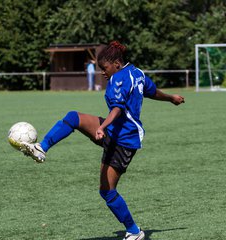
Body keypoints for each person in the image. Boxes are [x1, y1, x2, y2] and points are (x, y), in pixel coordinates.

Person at [21, 41, 185, 240]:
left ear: (116, 63)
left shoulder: (118, 80)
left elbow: (117, 108)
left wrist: (102, 126)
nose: (103, 73)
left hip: (123, 140)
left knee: (107, 191)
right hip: (115, 131)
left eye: (104, 68)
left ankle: (134, 231)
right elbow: (152, 91)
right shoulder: (137, 73)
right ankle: (41, 148)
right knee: (74, 117)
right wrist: (171, 98)